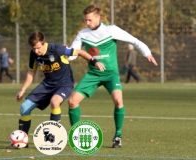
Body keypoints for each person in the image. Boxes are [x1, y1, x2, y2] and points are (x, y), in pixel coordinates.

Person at [67, 4, 158, 148]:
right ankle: (75, 134)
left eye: (89, 20)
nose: (87, 23)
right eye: (85, 20)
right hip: (93, 74)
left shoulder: (111, 30)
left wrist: (147, 53)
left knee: (118, 101)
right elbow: (74, 53)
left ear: (98, 18)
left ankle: (118, 136)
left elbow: (134, 40)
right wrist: (64, 55)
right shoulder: (83, 34)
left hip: (111, 75)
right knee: (72, 101)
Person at [13, 31, 105, 148]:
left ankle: (56, 135)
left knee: (55, 101)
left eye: (38, 48)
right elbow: (31, 71)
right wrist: (23, 89)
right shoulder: (34, 53)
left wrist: (95, 62)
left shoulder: (57, 49)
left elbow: (80, 52)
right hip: (47, 84)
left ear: (44, 43)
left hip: (65, 83)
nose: (36, 51)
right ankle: (22, 140)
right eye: (33, 48)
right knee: (24, 107)